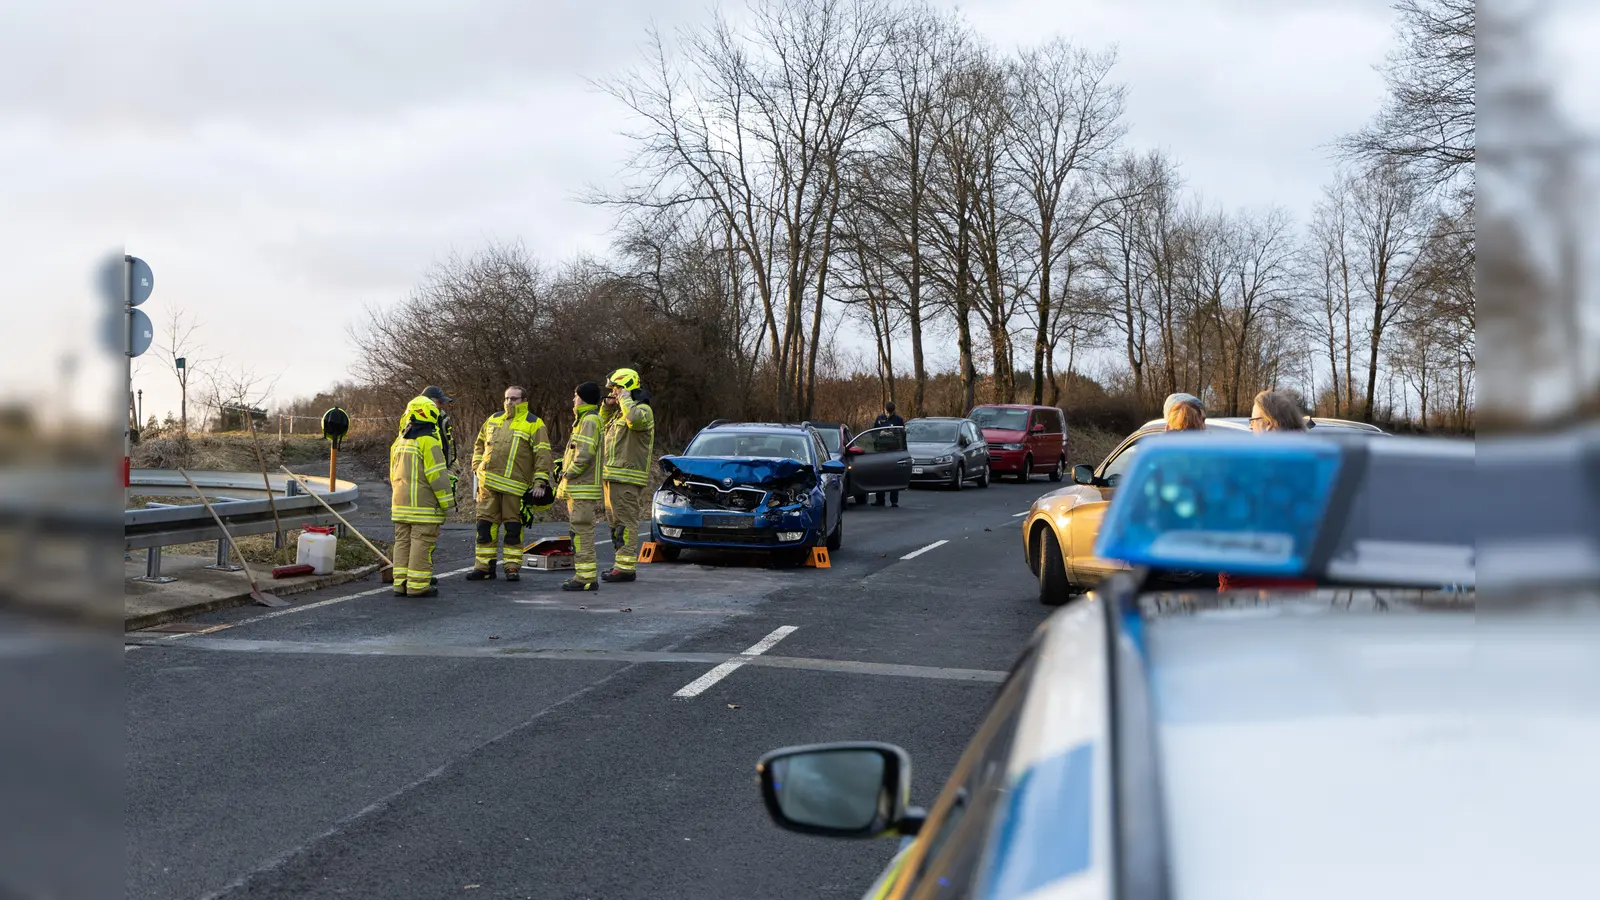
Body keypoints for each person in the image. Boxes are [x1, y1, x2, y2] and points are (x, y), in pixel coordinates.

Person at [1220, 389, 1316, 593]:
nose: (1251, 426)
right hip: (1303, 588)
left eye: (1253, 420)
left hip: (1252, 590)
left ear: (1269, 423)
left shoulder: (1255, 468)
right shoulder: (1316, 461)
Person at [467, 386, 554, 583]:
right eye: (506, 398)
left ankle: (512, 567)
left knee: (513, 530)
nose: (509, 403)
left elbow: (542, 454)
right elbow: (479, 443)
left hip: (515, 487)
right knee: (484, 527)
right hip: (488, 485)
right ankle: (483, 567)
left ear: (524, 400)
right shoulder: (494, 418)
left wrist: (540, 481)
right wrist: (476, 465)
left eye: (513, 399)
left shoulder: (534, 423)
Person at [388, 401, 454, 598]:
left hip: (400, 504)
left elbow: (392, 473)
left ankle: (400, 583)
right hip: (423, 507)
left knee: (402, 543)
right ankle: (417, 585)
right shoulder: (429, 441)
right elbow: (437, 477)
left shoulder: (399, 441)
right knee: (421, 543)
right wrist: (447, 503)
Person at [600, 368, 655, 584]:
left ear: (626, 387)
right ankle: (620, 564)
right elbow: (601, 426)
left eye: (616, 388)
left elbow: (634, 421)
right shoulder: (618, 413)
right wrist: (607, 405)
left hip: (628, 477)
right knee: (615, 525)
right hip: (612, 477)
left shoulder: (642, 410)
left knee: (625, 522)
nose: (613, 392)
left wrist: (624, 399)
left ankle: (625, 568)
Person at [557, 381, 605, 592]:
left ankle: (585, 577)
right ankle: (584, 575)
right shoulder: (585, 420)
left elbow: (584, 454)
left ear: (583, 398)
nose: (573, 400)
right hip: (579, 488)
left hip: (582, 488)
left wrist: (569, 473)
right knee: (579, 532)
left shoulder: (590, 420)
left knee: (582, 533)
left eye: (575, 396)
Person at [870, 401, 906, 507]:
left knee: (893, 475)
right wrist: (880, 435)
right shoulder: (880, 419)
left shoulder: (898, 420)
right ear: (885, 410)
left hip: (894, 450)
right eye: (887, 411)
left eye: (891, 412)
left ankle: (894, 500)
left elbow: (902, 435)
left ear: (894, 411)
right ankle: (880, 499)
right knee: (880, 475)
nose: (889, 414)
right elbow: (874, 432)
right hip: (881, 450)